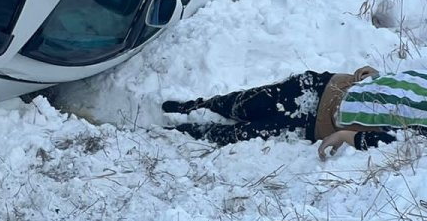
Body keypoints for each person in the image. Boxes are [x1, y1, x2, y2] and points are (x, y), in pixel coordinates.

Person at [163, 67, 427, 158]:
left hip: (314, 122)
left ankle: (182, 133)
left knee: (240, 133)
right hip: (324, 84)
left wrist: (347, 136)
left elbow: (397, 142)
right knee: (245, 103)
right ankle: (200, 105)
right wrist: (375, 75)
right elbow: (404, 89)